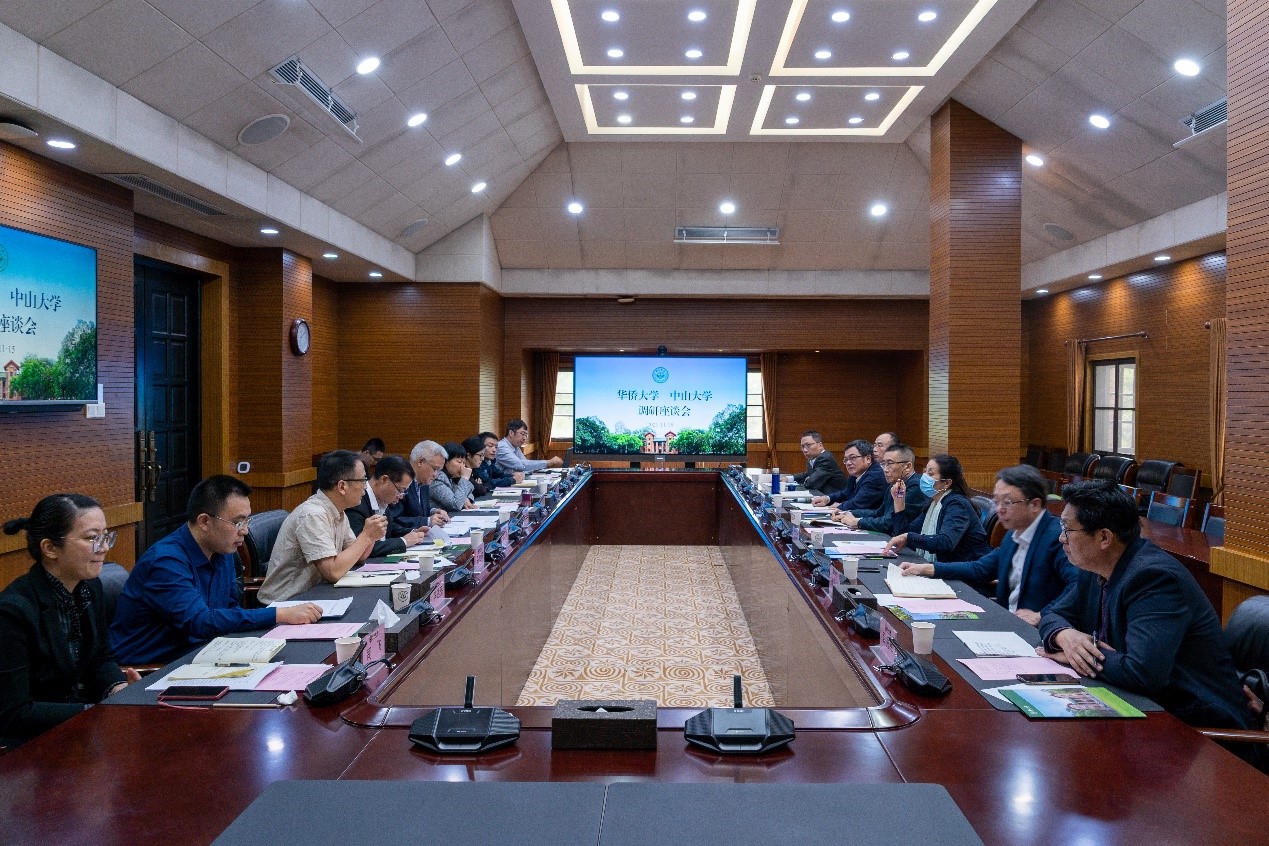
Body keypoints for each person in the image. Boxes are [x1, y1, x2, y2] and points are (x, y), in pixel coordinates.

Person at [1038, 480, 1256, 749]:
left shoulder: (1154, 578)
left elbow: (1142, 673)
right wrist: (1065, 636)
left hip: (1198, 732)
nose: (1061, 538)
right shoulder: (1095, 568)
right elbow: (1052, 614)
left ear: (1104, 538)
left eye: (1067, 529)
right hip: (1143, 710)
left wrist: (1081, 656)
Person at [109, 476, 322, 665]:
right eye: (237, 522)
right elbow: (200, 622)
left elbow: (230, 608)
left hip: (204, 653)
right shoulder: (166, 561)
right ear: (204, 521)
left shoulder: (222, 550)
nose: (245, 531)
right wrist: (279, 614)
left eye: (246, 521)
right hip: (153, 669)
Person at [0, 494, 137, 747]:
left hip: (82, 731)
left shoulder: (91, 587)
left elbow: (100, 658)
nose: (104, 548)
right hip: (31, 744)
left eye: (106, 536)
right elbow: (15, 713)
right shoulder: (12, 612)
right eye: (92, 538)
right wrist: (93, 712)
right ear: (50, 548)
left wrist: (116, 688)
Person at [901, 465, 1077, 625]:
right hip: (1006, 622)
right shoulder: (1014, 535)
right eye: (997, 501)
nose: (999, 509)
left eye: (1007, 502)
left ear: (1035, 504)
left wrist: (1043, 615)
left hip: (1039, 632)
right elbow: (979, 568)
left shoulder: (1058, 538)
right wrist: (927, 568)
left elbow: (1079, 585)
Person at [257, 450, 387, 603]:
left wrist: (371, 536)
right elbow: (333, 572)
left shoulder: (338, 511)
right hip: (284, 603)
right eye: (363, 480)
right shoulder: (312, 515)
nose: (365, 487)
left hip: (315, 596)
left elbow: (358, 557)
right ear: (342, 486)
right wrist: (366, 535)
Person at [885, 454, 991, 563]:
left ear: (946, 483)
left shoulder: (957, 504)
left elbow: (945, 542)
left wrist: (909, 537)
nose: (924, 477)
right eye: (925, 471)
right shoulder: (933, 503)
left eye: (930, 474)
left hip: (965, 568)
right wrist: (899, 503)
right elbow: (902, 536)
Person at [345, 456, 431, 558]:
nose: (401, 496)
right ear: (384, 480)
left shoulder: (383, 499)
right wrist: (403, 541)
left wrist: (413, 532)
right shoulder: (356, 502)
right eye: (400, 490)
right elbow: (360, 549)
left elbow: (389, 529)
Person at [836, 443, 929, 534]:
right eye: (883, 464)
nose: (885, 469)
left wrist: (857, 522)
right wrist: (850, 513)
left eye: (890, 463)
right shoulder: (895, 485)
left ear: (907, 467)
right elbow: (879, 513)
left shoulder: (916, 487)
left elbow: (889, 522)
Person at [390, 441, 452, 531]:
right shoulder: (400, 480)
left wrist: (433, 511)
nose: (436, 475)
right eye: (435, 469)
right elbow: (394, 520)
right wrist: (427, 521)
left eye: (439, 470)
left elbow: (416, 511)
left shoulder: (424, 481)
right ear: (420, 462)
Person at [810, 439, 886, 512]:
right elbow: (846, 493)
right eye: (846, 459)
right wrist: (827, 499)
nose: (848, 463)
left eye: (853, 458)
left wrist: (839, 506)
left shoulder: (875, 476)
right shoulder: (856, 473)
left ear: (868, 459)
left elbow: (858, 503)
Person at [496, 419, 563, 475]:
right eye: (522, 434)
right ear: (511, 433)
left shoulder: (515, 447)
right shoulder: (501, 447)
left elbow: (526, 467)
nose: (524, 438)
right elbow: (521, 465)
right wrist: (548, 462)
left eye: (526, 435)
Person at [792, 431, 849, 495]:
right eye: (802, 446)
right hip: (821, 496)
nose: (805, 450)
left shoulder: (825, 458)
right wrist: (788, 478)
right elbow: (807, 474)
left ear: (820, 445)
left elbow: (812, 483)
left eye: (808, 445)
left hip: (835, 498)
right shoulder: (812, 458)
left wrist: (808, 480)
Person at [432, 442, 477, 512]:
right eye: (459, 462)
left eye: (464, 463)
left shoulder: (450, 477)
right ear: (446, 461)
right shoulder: (437, 478)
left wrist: (466, 499)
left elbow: (468, 494)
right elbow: (455, 505)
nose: (462, 467)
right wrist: (464, 478)